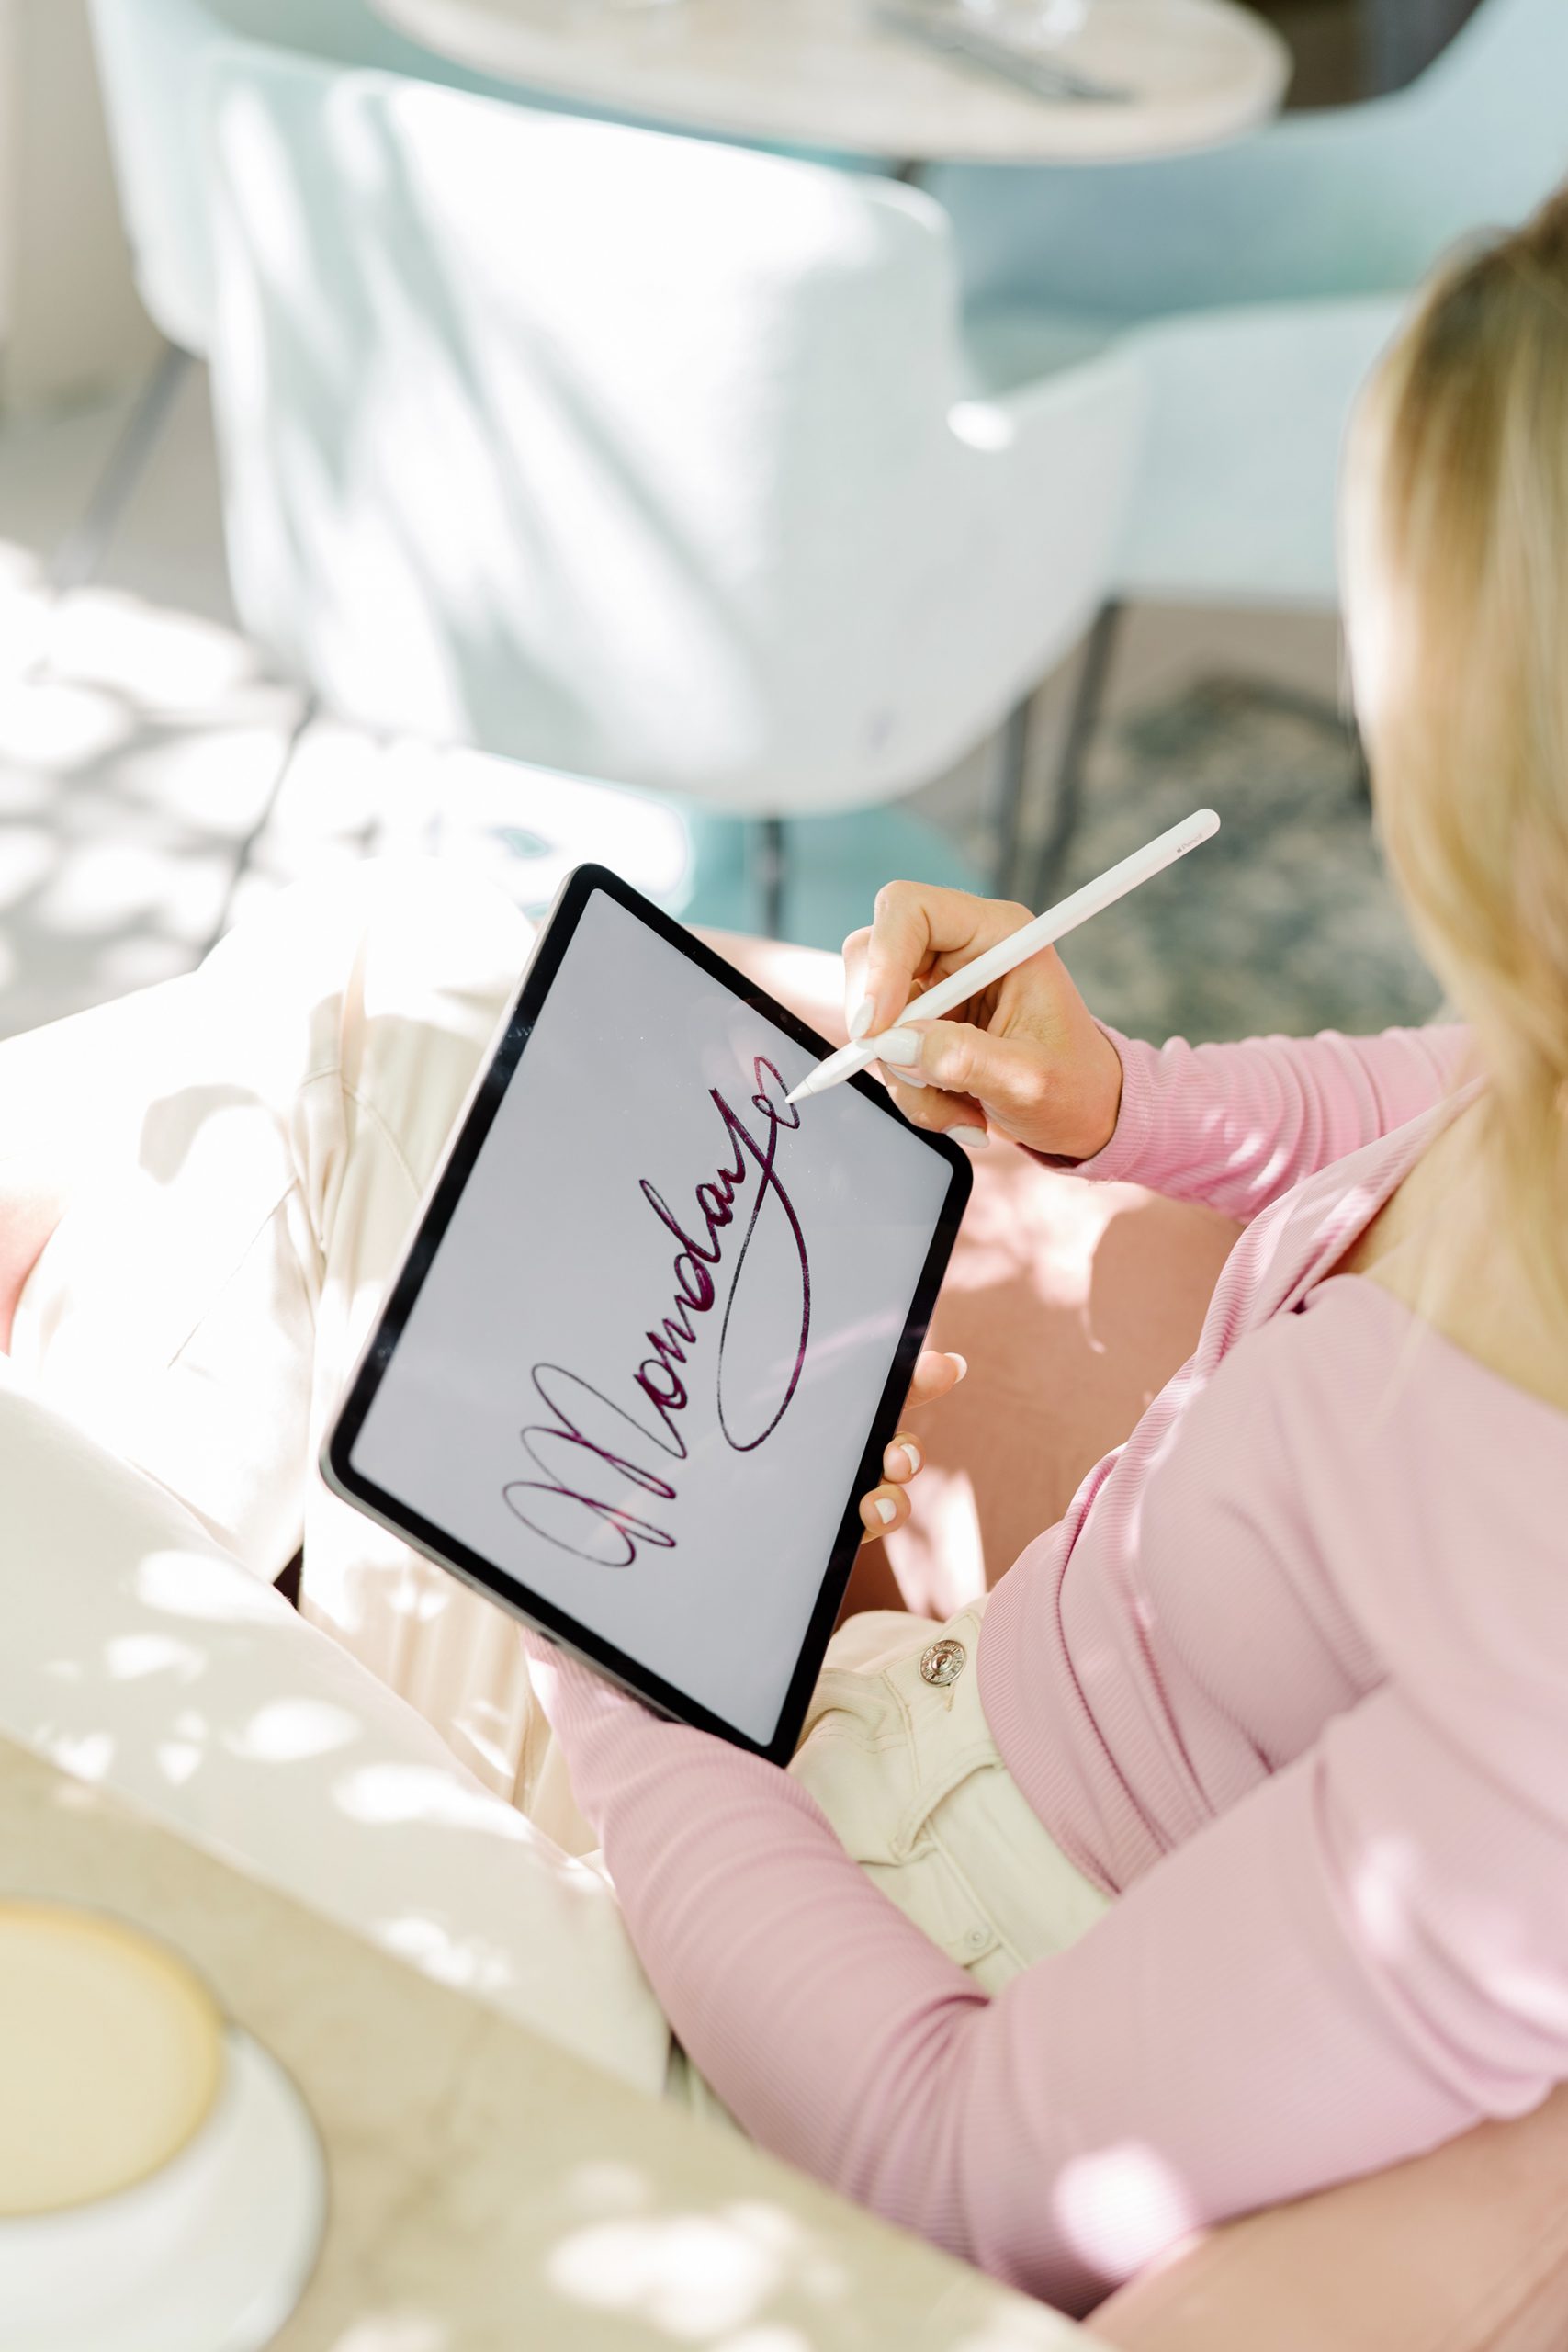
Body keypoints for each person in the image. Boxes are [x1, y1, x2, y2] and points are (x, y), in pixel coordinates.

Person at [4, 188, 1567, 2318]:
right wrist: (1107, 1096)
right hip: (831, 1747)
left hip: (765, 2052)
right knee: (326, 1062)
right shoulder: (1542, 1069)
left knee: (179, 1386)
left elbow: (956, 2156)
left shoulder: (1520, 1738)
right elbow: (1389, 1097)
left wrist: (611, 1645)